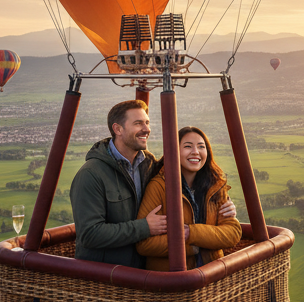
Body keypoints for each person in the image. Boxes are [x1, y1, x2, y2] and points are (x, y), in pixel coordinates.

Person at [69, 100, 236, 267]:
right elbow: (89, 234)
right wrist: (144, 227)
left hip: (140, 271)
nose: (146, 129)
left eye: (147, 123)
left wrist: (226, 208)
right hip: (105, 273)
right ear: (118, 129)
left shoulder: (148, 164)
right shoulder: (91, 174)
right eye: (138, 123)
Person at [136, 126, 242, 270]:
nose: (195, 152)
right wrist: (193, 246)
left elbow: (233, 233)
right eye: (188, 146)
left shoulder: (215, 186)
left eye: (201, 146)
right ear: (174, 151)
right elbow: (144, 244)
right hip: (172, 278)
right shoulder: (159, 187)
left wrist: (191, 233)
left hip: (212, 274)